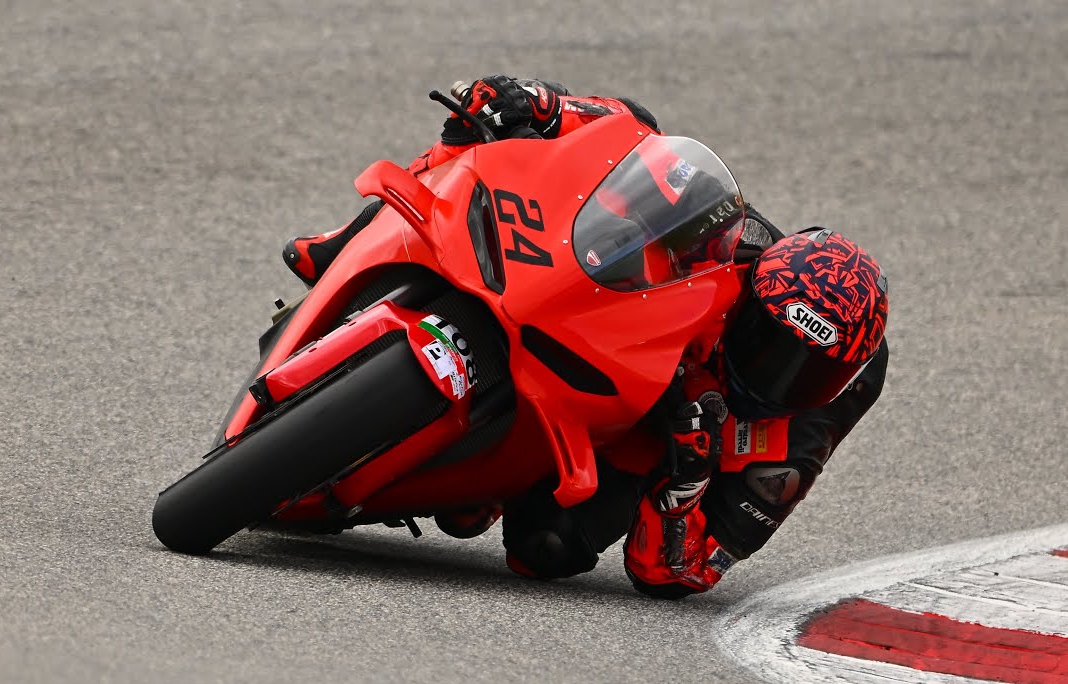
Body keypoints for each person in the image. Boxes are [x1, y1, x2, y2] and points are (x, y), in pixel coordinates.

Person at [284, 76, 890, 599]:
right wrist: (547, 106)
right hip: (623, 337)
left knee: (545, 547)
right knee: (494, 125)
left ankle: (488, 480)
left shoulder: (799, 444)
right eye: (765, 341)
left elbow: (679, 573)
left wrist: (685, 483)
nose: (771, 373)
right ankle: (350, 242)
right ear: (755, 290)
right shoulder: (735, 243)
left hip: (649, 434)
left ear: (842, 377)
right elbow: (630, 142)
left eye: (803, 370)